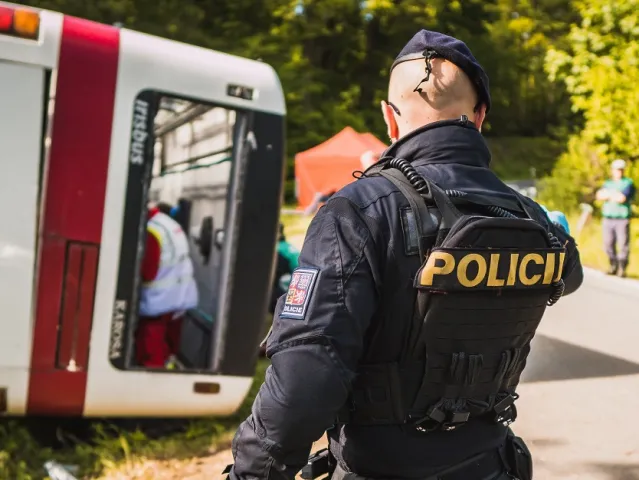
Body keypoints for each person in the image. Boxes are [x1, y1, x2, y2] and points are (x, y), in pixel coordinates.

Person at [226, 30, 583, 480]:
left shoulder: (357, 211)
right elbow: (570, 276)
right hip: (492, 466)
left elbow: (307, 372)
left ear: (389, 119)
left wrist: (252, 473)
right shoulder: (529, 215)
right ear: (480, 116)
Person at [135, 202, 199, 369]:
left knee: (150, 350)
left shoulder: (150, 230)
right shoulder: (166, 222)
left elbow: (147, 271)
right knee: (168, 346)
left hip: (159, 300)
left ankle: (152, 384)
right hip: (179, 297)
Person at [596, 159, 635, 277]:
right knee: (608, 243)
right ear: (613, 170)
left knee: (623, 244)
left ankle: (622, 268)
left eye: (621, 169)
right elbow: (599, 195)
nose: (619, 171)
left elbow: (622, 198)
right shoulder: (608, 183)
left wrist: (608, 195)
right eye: (617, 169)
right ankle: (612, 265)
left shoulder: (628, 183)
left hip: (622, 218)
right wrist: (613, 195)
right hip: (608, 217)